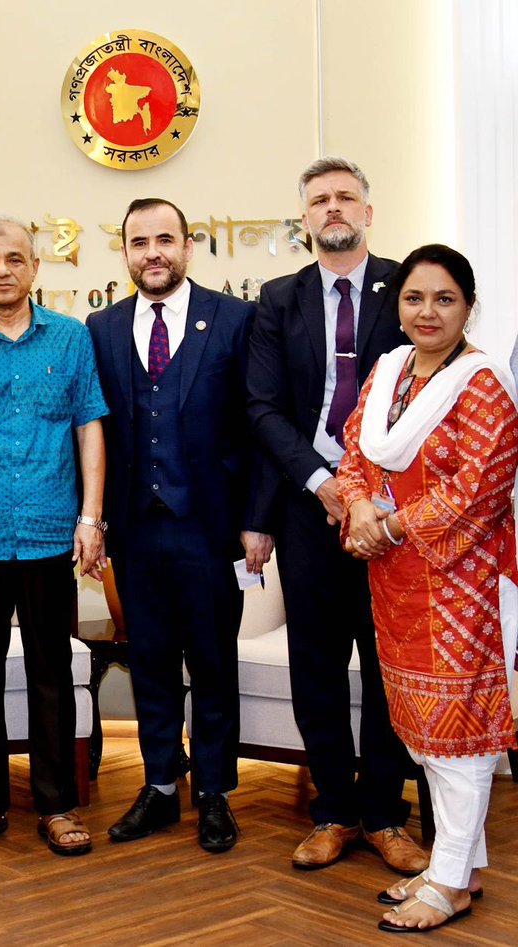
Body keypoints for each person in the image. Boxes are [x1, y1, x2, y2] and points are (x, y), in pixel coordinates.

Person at [247, 156, 426, 873]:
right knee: (315, 663)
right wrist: (324, 482)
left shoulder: (406, 287)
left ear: (367, 211)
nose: (332, 208)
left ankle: (384, 813)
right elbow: (261, 407)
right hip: (308, 507)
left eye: (345, 196)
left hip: (388, 512)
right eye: (319, 199)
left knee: (385, 665)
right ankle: (332, 811)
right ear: (305, 218)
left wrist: (363, 493)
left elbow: (428, 389)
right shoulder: (277, 298)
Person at [336, 244, 517, 933]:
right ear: (398, 305)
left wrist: (392, 525)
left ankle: (447, 881)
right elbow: (355, 452)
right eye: (415, 297)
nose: (428, 311)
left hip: (462, 584)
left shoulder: (483, 383)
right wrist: (356, 507)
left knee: (460, 735)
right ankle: (459, 865)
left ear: (469, 306)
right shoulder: (387, 371)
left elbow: (480, 487)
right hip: (398, 585)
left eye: (444, 298)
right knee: (423, 732)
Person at [87, 198, 273, 854]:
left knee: (214, 664)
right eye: (139, 242)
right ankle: (161, 786)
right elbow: (96, 433)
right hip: (136, 531)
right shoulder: (101, 328)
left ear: (189, 246)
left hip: (212, 529)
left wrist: (257, 521)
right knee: (152, 664)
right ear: (126, 251)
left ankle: (216, 791)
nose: (153, 252)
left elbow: (257, 427)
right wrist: (96, 520)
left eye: (165, 239)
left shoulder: (233, 319)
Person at [0, 216, 107, 856]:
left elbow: (90, 428)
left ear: (35, 269)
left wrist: (91, 519)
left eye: (15, 259)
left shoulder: (70, 339)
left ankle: (57, 806)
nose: (2, 269)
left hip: (49, 534)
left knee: (51, 672)